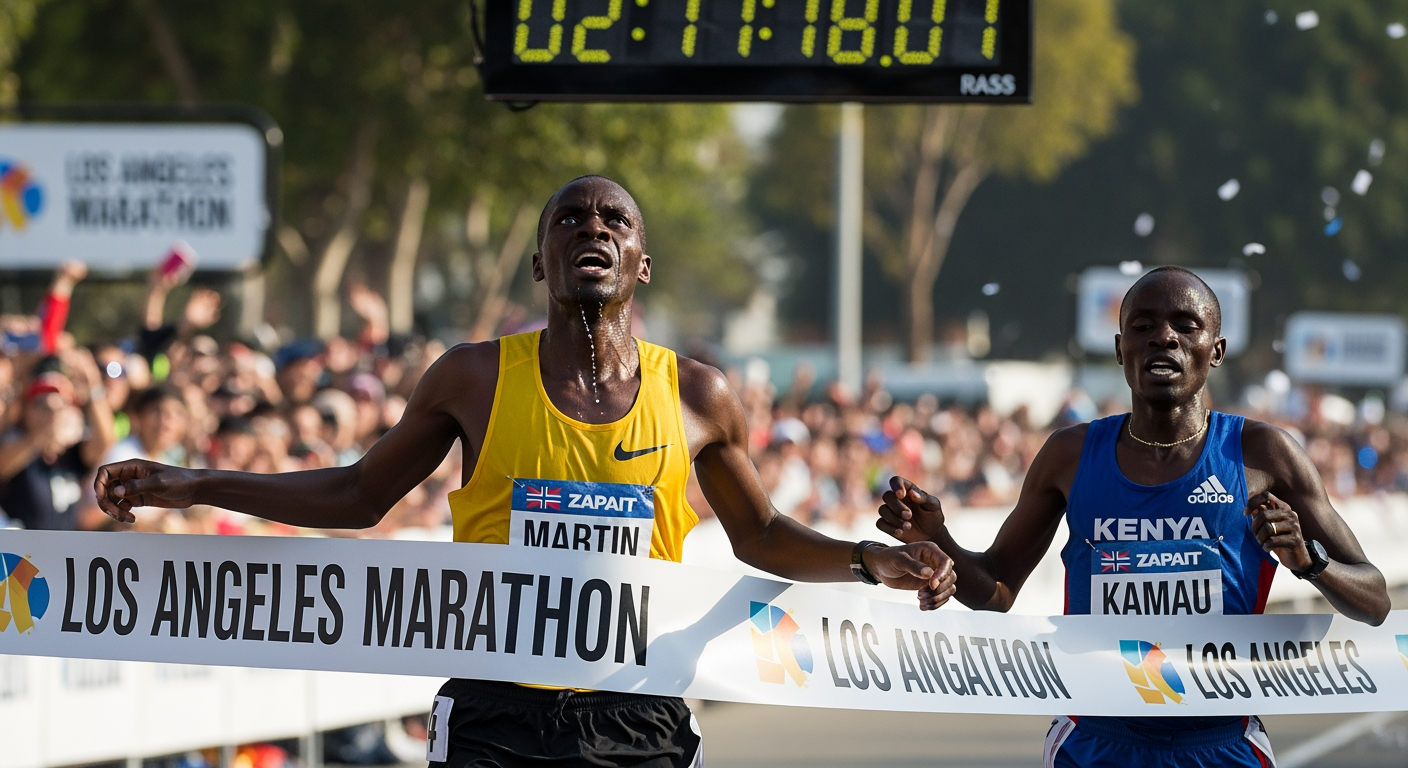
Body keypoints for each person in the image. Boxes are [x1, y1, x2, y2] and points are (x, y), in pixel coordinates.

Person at [95, 175, 958, 768]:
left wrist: (861, 560)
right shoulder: (471, 377)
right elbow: (360, 495)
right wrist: (196, 483)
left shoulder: (697, 395)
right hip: (493, 711)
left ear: (641, 265)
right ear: (541, 262)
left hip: (637, 710)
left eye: (614, 222)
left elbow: (762, 534)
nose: (593, 229)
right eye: (571, 220)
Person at [877, 266, 1390, 768]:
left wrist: (1310, 562)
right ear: (1122, 350)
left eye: (1185, 326)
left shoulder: (1262, 453)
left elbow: (1374, 599)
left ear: (1216, 350)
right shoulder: (1071, 454)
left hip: (1221, 743)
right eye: (1142, 326)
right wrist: (938, 536)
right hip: (1096, 743)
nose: (1163, 337)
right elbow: (996, 589)